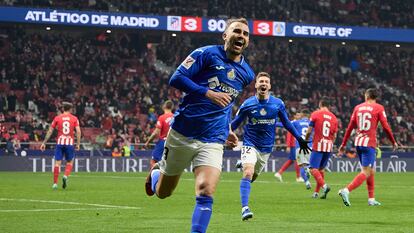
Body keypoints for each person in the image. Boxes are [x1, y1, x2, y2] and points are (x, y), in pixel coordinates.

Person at [145, 18, 255, 233]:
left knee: (206, 191)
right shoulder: (205, 53)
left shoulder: (247, 74)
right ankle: (157, 173)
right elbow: (176, 78)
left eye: (245, 33)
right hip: (183, 133)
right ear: (225, 35)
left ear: (248, 41)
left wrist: (229, 130)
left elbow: (227, 103)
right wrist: (207, 92)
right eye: (236, 31)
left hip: (213, 139)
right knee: (164, 192)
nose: (241, 36)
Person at [231, 72, 311, 221]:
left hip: (266, 148)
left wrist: (299, 139)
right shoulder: (248, 104)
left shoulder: (278, 104)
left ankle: (244, 163)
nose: (263, 84)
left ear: (269, 86)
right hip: (250, 143)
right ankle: (245, 208)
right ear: (256, 85)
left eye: (266, 82)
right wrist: (225, 133)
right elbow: (235, 123)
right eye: (261, 81)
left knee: (252, 176)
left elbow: (287, 123)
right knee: (248, 172)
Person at [338, 88, 398, 206]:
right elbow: (385, 126)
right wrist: (393, 141)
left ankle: (371, 199)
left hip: (359, 143)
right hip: (369, 143)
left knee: (371, 171)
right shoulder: (379, 108)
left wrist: (343, 144)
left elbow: (350, 127)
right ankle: (346, 190)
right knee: (366, 171)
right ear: (376, 97)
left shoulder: (358, 107)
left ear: (366, 96)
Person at [40, 102, 81, 190]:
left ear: (63, 109)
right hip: (69, 143)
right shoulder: (74, 118)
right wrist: (78, 144)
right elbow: (78, 131)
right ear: (70, 109)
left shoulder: (57, 118)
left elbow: (50, 131)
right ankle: (65, 176)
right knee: (70, 162)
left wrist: (44, 142)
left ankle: (55, 184)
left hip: (60, 142)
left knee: (57, 163)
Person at [304, 97, 338, 199]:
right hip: (328, 146)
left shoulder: (315, 114)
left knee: (313, 168)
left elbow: (309, 130)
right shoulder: (334, 117)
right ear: (329, 106)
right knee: (321, 170)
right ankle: (316, 193)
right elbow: (335, 136)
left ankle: (324, 186)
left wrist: (305, 141)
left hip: (318, 145)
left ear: (320, 104)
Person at [144, 100, 174, 167]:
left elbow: (156, 132)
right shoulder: (175, 117)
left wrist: (148, 141)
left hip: (163, 142)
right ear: (172, 107)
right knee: (168, 163)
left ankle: (156, 176)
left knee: (153, 161)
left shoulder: (162, 117)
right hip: (173, 142)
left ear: (164, 107)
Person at [274, 115, 302, 183]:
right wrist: (288, 145)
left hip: (295, 144)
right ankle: (298, 177)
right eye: (298, 114)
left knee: (291, 160)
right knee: (297, 160)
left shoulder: (298, 123)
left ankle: (279, 173)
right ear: (295, 116)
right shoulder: (293, 123)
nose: (300, 115)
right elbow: (289, 134)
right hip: (293, 145)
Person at [291, 109, 313, 190]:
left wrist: (272, 123)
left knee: (302, 166)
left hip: (299, 146)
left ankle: (307, 182)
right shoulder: (311, 122)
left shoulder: (296, 122)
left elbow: (283, 124)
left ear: (302, 114)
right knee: (310, 165)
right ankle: (309, 169)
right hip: (309, 146)